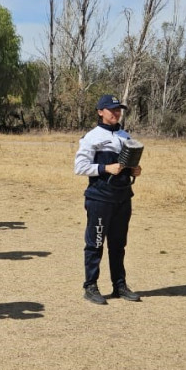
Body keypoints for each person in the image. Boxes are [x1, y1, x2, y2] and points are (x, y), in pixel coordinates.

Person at [73, 94, 143, 305]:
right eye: (112, 109)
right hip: (100, 198)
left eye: (119, 109)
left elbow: (128, 164)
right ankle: (90, 286)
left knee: (118, 244)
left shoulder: (125, 136)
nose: (116, 113)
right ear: (100, 112)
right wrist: (105, 168)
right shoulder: (91, 137)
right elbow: (79, 167)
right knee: (95, 243)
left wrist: (135, 170)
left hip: (123, 198)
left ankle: (119, 285)